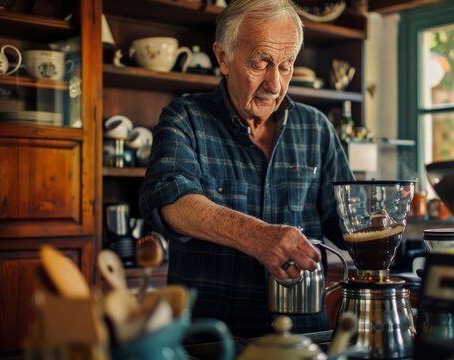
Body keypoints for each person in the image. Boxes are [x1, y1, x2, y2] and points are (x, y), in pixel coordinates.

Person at [139, 0, 354, 338]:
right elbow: (171, 201)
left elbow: (346, 224)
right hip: (213, 342)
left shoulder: (316, 127)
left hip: (303, 341)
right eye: (262, 63)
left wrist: (383, 224)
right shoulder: (185, 119)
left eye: (285, 66)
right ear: (223, 57)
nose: (274, 84)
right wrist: (258, 236)